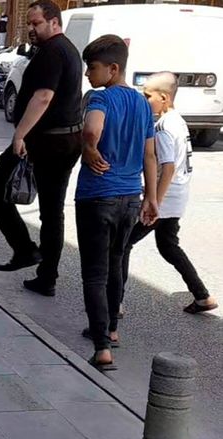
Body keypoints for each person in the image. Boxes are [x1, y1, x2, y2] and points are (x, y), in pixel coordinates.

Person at [0, 0, 82, 297]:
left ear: (54, 22)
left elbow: (43, 97)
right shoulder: (67, 49)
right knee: (52, 213)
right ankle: (45, 274)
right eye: (29, 23)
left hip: (47, 141)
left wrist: (20, 135)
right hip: (64, 140)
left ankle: (27, 251)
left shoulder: (53, 51)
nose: (31, 29)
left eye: (36, 23)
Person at [78, 35, 159, 370]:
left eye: (93, 68)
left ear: (113, 69)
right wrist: (151, 198)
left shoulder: (102, 98)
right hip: (130, 197)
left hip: (98, 196)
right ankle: (112, 330)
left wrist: (90, 148)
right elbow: (150, 154)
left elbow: (91, 131)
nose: (87, 74)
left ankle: (101, 348)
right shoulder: (143, 104)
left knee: (94, 274)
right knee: (115, 265)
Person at [121, 72, 217, 315]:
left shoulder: (163, 127)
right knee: (168, 246)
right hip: (176, 199)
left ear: (163, 98)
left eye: (147, 95)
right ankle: (202, 296)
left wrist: (153, 202)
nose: (144, 100)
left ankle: (116, 301)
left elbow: (168, 167)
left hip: (163, 200)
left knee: (122, 245)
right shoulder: (178, 121)